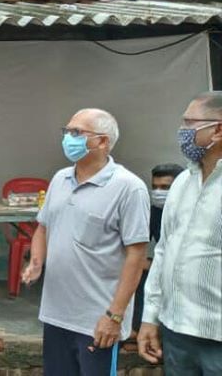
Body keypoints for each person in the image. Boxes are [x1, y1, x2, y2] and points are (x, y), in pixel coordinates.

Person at [21, 108, 148, 376]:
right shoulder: (60, 179)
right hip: (56, 314)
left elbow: (136, 256)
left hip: (97, 321)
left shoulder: (128, 187)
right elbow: (43, 227)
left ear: (102, 141)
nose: (68, 138)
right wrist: (36, 263)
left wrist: (114, 316)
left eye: (77, 132)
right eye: (66, 132)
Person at [138, 92, 222, 373]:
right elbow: (163, 251)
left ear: (219, 129)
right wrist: (150, 317)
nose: (182, 132)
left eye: (189, 123)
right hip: (177, 333)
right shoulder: (183, 182)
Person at [130, 163, 184, 336]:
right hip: (164, 264)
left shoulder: (192, 210)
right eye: (155, 187)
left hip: (189, 269)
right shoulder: (153, 212)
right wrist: (144, 263)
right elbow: (137, 246)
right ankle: (137, 328)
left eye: (165, 187)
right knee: (137, 273)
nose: (158, 192)